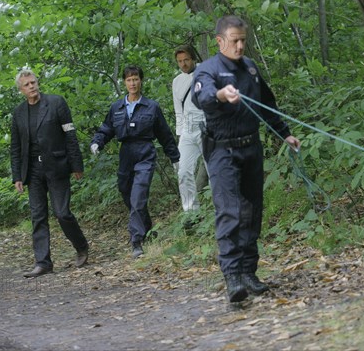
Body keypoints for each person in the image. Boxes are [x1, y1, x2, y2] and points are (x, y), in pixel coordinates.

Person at [192, 15, 301, 302]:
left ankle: (249, 271)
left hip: (251, 148)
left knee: (253, 211)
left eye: (243, 40)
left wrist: (284, 134)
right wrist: (220, 95)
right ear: (220, 41)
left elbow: (267, 104)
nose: (240, 46)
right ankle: (233, 277)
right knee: (230, 211)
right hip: (221, 151)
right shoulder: (208, 70)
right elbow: (201, 98)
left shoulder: (250, 69)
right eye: (234, 41)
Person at [91, 65, 180, 258]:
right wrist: (97, 142)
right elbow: (106, 128)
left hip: (145, 152)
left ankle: (136, 241)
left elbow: (164, 134)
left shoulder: (151, 107)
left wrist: (175, 157)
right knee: (127, 193)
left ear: (141, 81)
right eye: (129, 80)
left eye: (136, 79)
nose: (133, 83)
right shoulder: (117, 107)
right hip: (126, 154)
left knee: (138, 196)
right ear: (124, 83)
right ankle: (147, 228)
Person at [11, 69, 89, 278]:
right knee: (38, 216)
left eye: (33, 82)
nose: (32, 86)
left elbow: (70, 135)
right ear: (21, 90)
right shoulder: (18, 113)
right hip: (33, 171)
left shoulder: (56, 103)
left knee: (62, 212)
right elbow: (15, 146)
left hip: (56, 166)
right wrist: (17, 175)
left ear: (38, 83)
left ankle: (81, 246)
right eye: (27, 85)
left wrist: (76, 164)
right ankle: (43, 262)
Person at [171, 45, 207, 222]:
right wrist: (180, 136)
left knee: (215, 171)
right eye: (179, 61)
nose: (183, 64)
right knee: (183, 172)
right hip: (187, 130)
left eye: (186, 60)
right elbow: (178, 110)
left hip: (207, 127)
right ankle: (191, 215)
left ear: (193, 58)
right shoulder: (176, 82)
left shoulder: (206, 72)